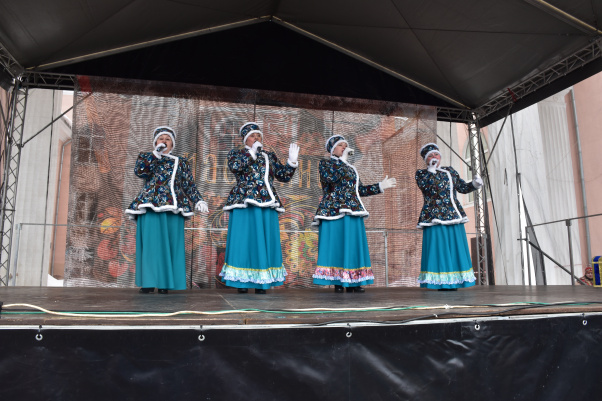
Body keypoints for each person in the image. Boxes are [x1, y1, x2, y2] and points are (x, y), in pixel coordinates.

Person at [125, 126, 208, 294]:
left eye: (167, 139)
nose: (164, 141)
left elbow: (188, 184)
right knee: (150, 245)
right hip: (150, 206)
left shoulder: (181, 162)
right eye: (161, 138)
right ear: (155, 142)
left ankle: (165, 283)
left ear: (173, 144)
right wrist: (155, 154)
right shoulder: (147, 157)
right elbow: (140, 172)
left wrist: (198, 199)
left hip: (173, 207)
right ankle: (148, 282)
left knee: (171, 245)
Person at [220, 122, 300, 294]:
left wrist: (292, 162)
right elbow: (235, 167)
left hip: (267, 202)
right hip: (245, 201)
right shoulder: (237, 153)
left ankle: (261, 281)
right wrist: (252, 153)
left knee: (265, 240)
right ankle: (241, 282)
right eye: (253, 136)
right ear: (245, 139)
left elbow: (283, 176)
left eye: (259, 136)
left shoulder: (268, 155)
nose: (256, 138)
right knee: (245, 240)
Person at [312, 135, 396, 293]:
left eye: (345, 145)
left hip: (353, 210)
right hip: (333, 211)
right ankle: (338, 281)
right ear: (332, 149)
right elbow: (331, 179)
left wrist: (380, 186)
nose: (344, 147)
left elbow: (360, 191)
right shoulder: (326, 164)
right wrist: (342, 161)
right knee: (337, 245)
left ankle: (354, 281)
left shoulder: (351, 168)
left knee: (353, 246)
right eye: (340, 145)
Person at [415, 143, 482, 290]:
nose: (434, 158)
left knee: (454, 247)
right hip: (434, 217)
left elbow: (462, 187)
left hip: (453, 215)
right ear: (426, 159)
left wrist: (474, 185)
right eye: (430, 156)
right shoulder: (421, 174)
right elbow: (426, 187)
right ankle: (440, 282)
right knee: (439, 248)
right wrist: (431, 171)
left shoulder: (450, 171)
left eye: (436, 155)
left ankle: (455, 280)